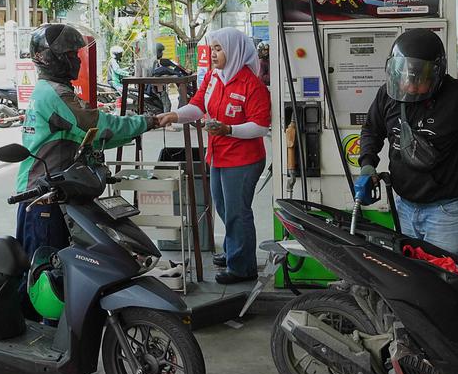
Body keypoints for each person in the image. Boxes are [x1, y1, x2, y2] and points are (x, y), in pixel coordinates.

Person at [355, 29, 458, 258]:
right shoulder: (387, 95)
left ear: (437, 75)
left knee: (446, 281)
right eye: (404, 77)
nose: (410, 86)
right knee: (412, 278)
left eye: (419, 80)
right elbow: (371, 130)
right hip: (404, 207)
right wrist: (367, 163)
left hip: (446, 212)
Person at [16, 24, 157, 258]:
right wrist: (148, 122)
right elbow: (98, 125)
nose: (77, 61)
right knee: (46, 275)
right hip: (42, 198)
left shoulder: (55, 91)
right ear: (51, 58)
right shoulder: (54, 95)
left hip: (58, 192)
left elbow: (89, 138)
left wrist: (137, 129)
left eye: (76, 55)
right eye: (70, 55)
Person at [157, 28, 271, 284]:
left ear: (235, 51)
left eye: (219, 49)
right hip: (218, 155)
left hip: (243, 159)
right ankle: (233, 250)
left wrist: (228, 129)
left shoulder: (251, 84)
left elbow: (261, 126)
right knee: (222, 206)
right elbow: (198, 106)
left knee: (237, 211)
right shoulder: (213, 77)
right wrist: (173, 116)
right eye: (213, 48)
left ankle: (242, 267)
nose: (214, 54)